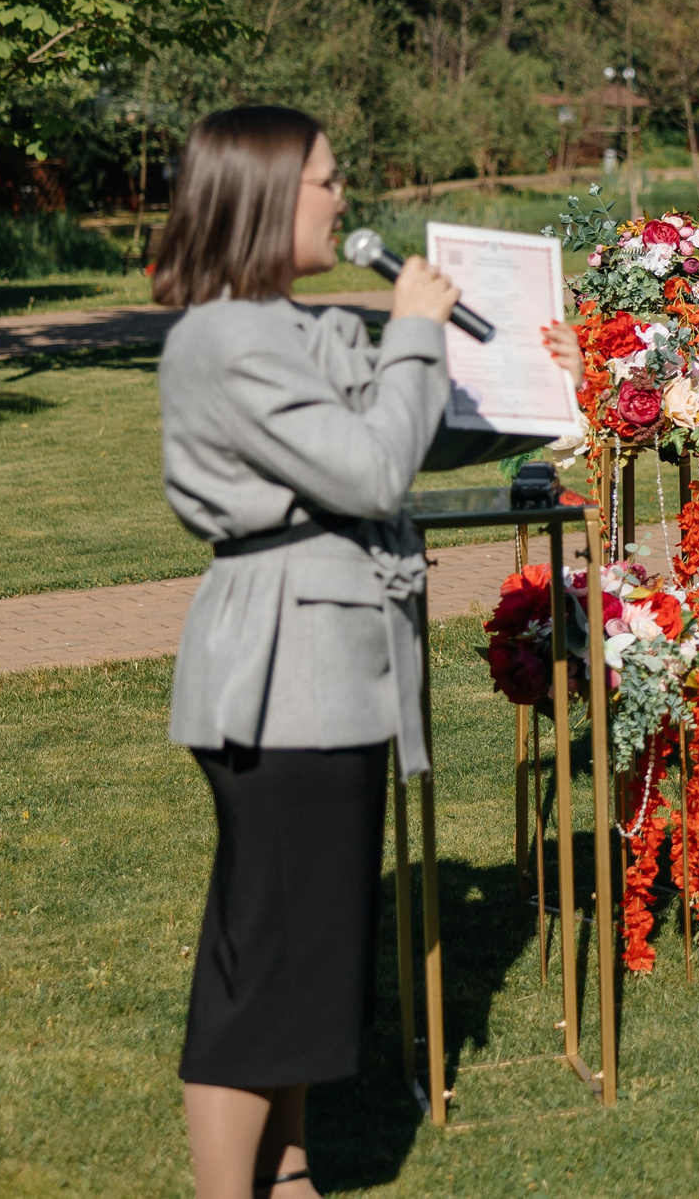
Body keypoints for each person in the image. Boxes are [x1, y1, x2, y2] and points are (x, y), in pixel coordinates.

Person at [153, 105, 580, 1199]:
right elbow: (369, 469)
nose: (347, 202)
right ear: (262, 195)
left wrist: (542, 382)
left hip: (335, 673)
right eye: (328, 182)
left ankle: (287, 1172)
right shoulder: (223, 338)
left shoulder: (298, 326)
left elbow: (421, 421)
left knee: (303, 957)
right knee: (264, 961)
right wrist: (410, 327)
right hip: (281, 676)